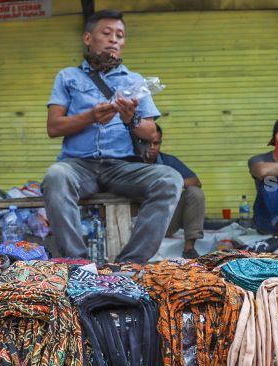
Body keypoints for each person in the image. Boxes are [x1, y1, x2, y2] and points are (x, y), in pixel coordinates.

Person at [42, 10, 183, 263]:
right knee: (56, 176)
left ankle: (131, 263)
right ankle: (78, 263)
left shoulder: (135, 80)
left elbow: (151, 133)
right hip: (79, 166)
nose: (114, 40)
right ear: (88, 38)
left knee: (170, 179)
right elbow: (54, 127)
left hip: (122, 167)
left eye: (120, 35)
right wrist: (91, 116)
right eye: (106, 33)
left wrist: (131, 119)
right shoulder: (67, 77)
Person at [143, 123, 204, 259]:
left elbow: (196, 182)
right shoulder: (129, 162)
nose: (152, 147)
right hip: (138, 223)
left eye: (156, 143)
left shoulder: (167, 160)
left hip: (165, 221)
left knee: (194, 192)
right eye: (147, 143)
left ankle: (189, 249)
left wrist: (169, 182)